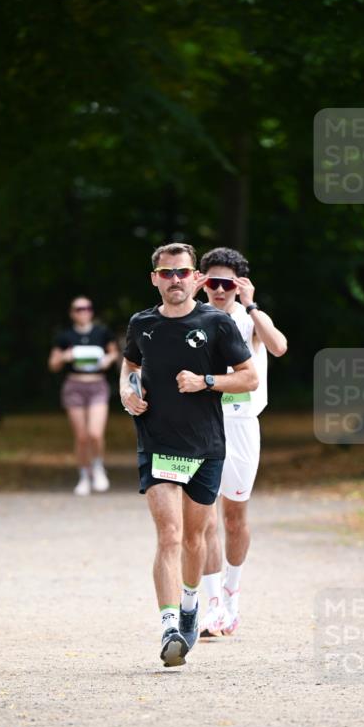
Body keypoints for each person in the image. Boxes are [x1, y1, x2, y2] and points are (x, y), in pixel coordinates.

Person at [120, 242, 258, 667]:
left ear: (194, 277)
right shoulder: (142, 324)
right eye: (167, 273)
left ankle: (191, 603)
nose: (175, 281)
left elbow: (249, 377)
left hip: (206, 446)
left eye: (182, 272)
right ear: (155, 279)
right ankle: (168, 627)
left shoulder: (216, 323)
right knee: (170, 536)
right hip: (157, 443)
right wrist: (128, 394)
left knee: (196, 539)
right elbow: (129, 368)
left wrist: (206, 381)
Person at [197, 247, 287, 637]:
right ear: (202, 283)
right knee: (202, 519)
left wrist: (251, 306)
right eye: (212, 282)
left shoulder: (250, 318)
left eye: (227, 283)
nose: (219, 290)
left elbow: (279, 346)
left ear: (239, 285)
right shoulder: (191, 317)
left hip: (242, 423)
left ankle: (232, 596)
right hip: (200, 423)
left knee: (234, 517)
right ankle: (212, 605)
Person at [48, 296, 119, 495]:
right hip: (74, 386)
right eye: (78, 309)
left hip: (97, 385)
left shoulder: (102, 333)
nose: (83, 312)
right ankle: (84, 475)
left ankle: (98, 467)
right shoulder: (65, 337)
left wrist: (108, 359)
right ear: (72, 313)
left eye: (87, 308)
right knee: (81, 437)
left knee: (95, 433)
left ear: (92, 311)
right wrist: (64, 357)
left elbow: (114, 353)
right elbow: (53, 364)